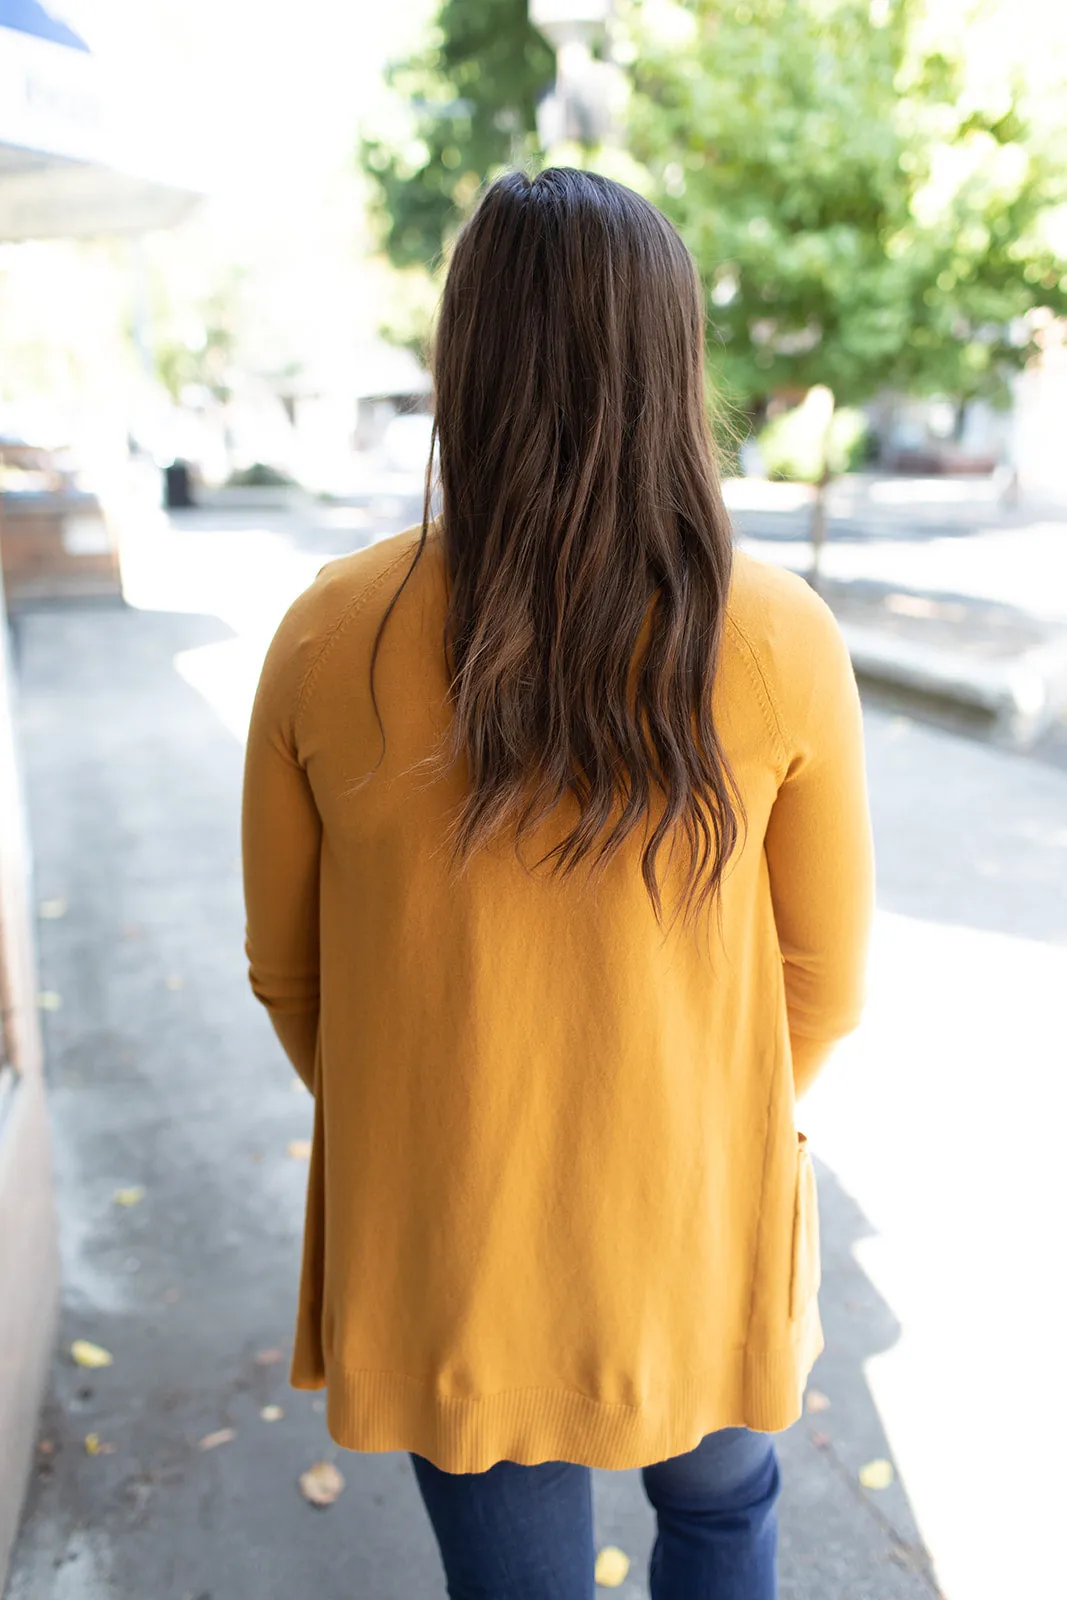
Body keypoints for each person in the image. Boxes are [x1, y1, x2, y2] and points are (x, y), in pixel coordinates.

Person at [241, 167, 875, 1599]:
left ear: (461, 356)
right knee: (723, 1518)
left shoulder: (329, 631)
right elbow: (821, 985)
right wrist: (682, 1123)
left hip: (455, 1238)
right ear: (671, 358)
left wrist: (441, 1113)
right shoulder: (776, 634)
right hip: (699, 1227)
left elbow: (291, 977)